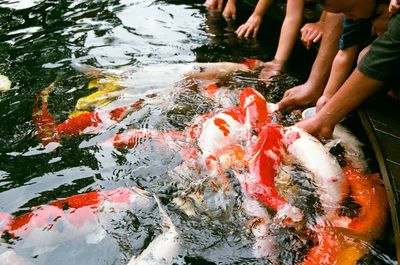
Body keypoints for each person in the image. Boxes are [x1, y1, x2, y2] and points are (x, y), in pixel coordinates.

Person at [288, 0, 399, 140]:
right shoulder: (358, 10)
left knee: (367, 56)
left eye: (349, 11)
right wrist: (327, 97)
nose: (348, 16)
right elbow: (345, 52)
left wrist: (324, 121)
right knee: (365, 56)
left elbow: (379, 59)